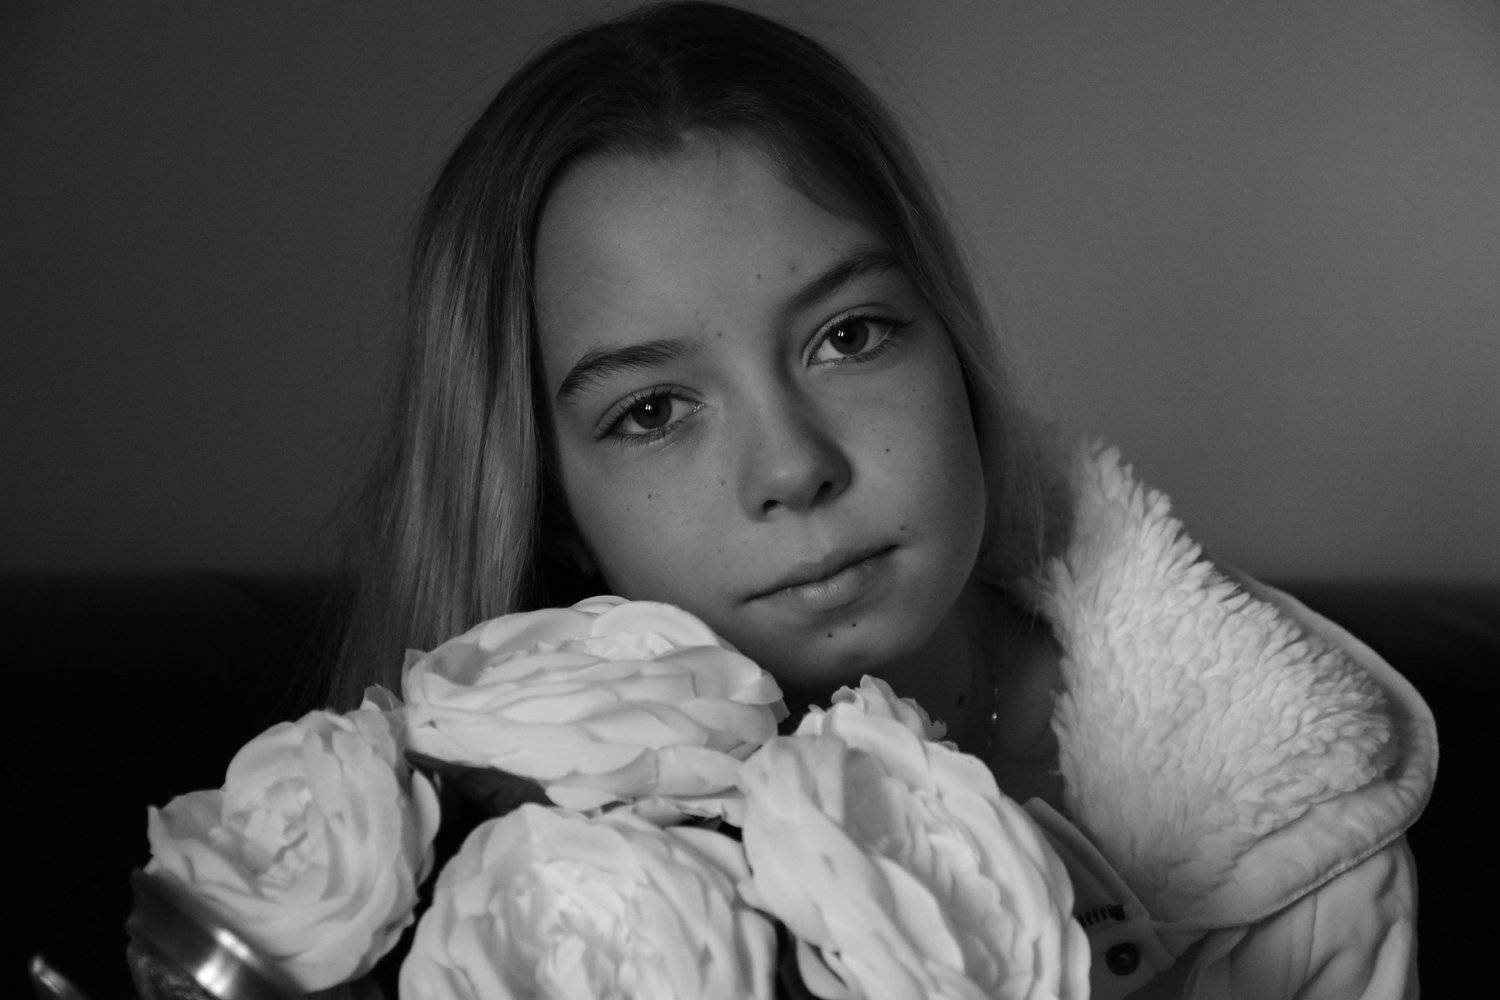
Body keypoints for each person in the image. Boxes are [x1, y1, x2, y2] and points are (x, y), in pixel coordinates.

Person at [326, 3, 1436, 997]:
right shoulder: (475, 889)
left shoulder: (1290, 807)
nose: (792, 467)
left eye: (849, 336)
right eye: (653, 410)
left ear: (950, 341)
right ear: (552, 510)